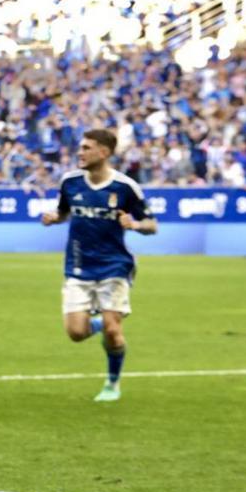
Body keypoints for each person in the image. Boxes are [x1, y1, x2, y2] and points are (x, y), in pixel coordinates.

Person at [42, 129, 158, 402]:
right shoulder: (70, 182)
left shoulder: (125, 187)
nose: (79, 152)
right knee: (76, 332)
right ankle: (100, 322)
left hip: (114, 266)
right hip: (78, 265)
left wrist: (136, 224)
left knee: (114, 333)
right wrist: (53, 218)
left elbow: (152, 225)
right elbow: (64, 212)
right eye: (80, 148)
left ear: (104, 152)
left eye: (86, 148)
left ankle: (112, 383)